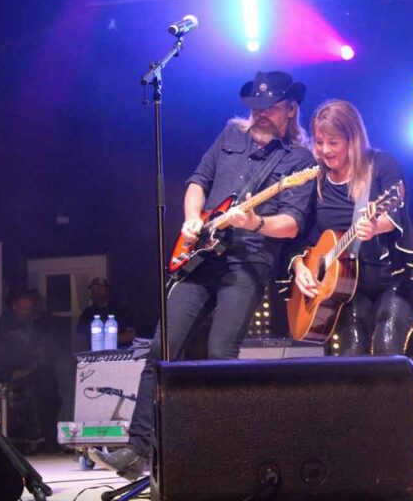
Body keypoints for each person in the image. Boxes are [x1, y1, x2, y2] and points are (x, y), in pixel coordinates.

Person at [91, 71, 315, 479]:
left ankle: (223, 450)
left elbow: (293, 223)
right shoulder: (230, 135)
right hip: (200, 255)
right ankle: (138, 449)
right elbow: (198, 181)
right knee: (162, 348)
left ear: (290, 109)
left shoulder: (299, 161)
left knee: (220, 354)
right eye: (255, 108)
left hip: (248, 260)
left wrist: (254, 223)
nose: (260, 115)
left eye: (269, 108)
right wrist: (192, 219)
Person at [290, 99, 413, 355]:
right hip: (347, 288)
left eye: (333, 143)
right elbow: (297, 232)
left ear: (353, 139)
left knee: (387, 346)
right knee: (352, 354)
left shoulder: (382, 165)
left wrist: (376, 227)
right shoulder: (315, 178)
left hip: (394, 280)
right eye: (319, 142)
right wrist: (300, 267)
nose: (324, 151)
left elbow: (396, 210)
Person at [0, 291, 62, 452]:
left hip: (37, 372)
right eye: (22, 309)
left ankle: (48, 439)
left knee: (48, 396)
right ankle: (23, 440)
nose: (25, 312)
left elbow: (45, 351)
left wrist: (33, 367)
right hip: (14, 372)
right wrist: (15, 372)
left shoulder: (39, 323)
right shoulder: (6, 323)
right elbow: (4, 350)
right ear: (14, 307)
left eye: (29, 309)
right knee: (23, 398)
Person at [75, 277, 137, 350]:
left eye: (99, 289)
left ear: (107, 290)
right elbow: (79, 338)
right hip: (92, 356)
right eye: (93, 291)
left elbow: (131, 335)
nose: (95, 293)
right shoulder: (87, 313)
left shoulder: (121, 310)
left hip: (118, 355)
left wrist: (110, 338)